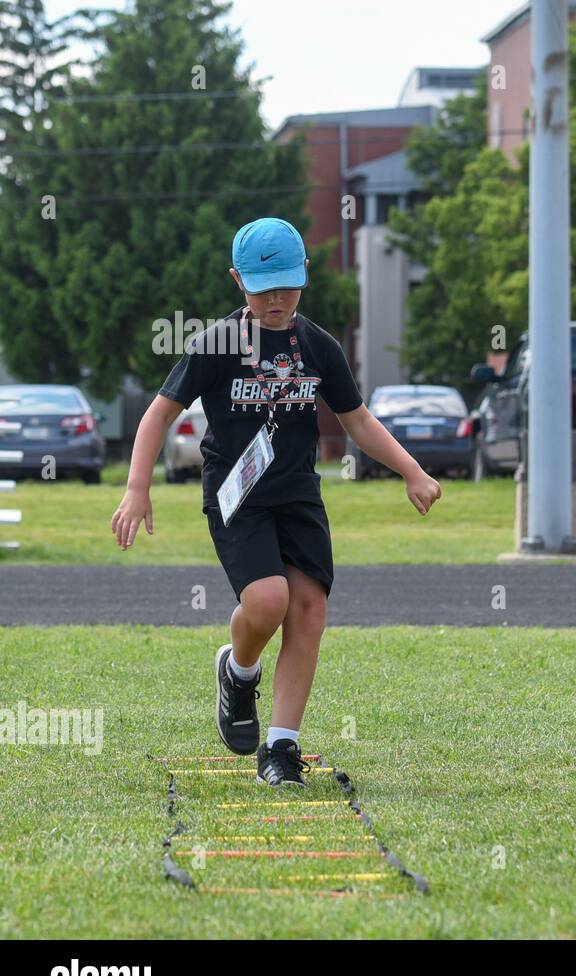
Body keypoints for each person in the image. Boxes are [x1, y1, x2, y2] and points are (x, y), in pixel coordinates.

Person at [111, 217, 442, 786]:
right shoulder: (218, 343)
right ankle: (239, 672)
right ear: (238, 281)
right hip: (237, 497)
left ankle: (281, 749)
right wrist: (137, 486)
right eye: (264, 289)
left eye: (289, 286)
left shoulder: (318, 345)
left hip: (297, 495)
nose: (278, 300)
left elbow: (356, 419)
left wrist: (410, 470)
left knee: (308, 609)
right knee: (267, 602)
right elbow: (160, 412)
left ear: (305, 275)